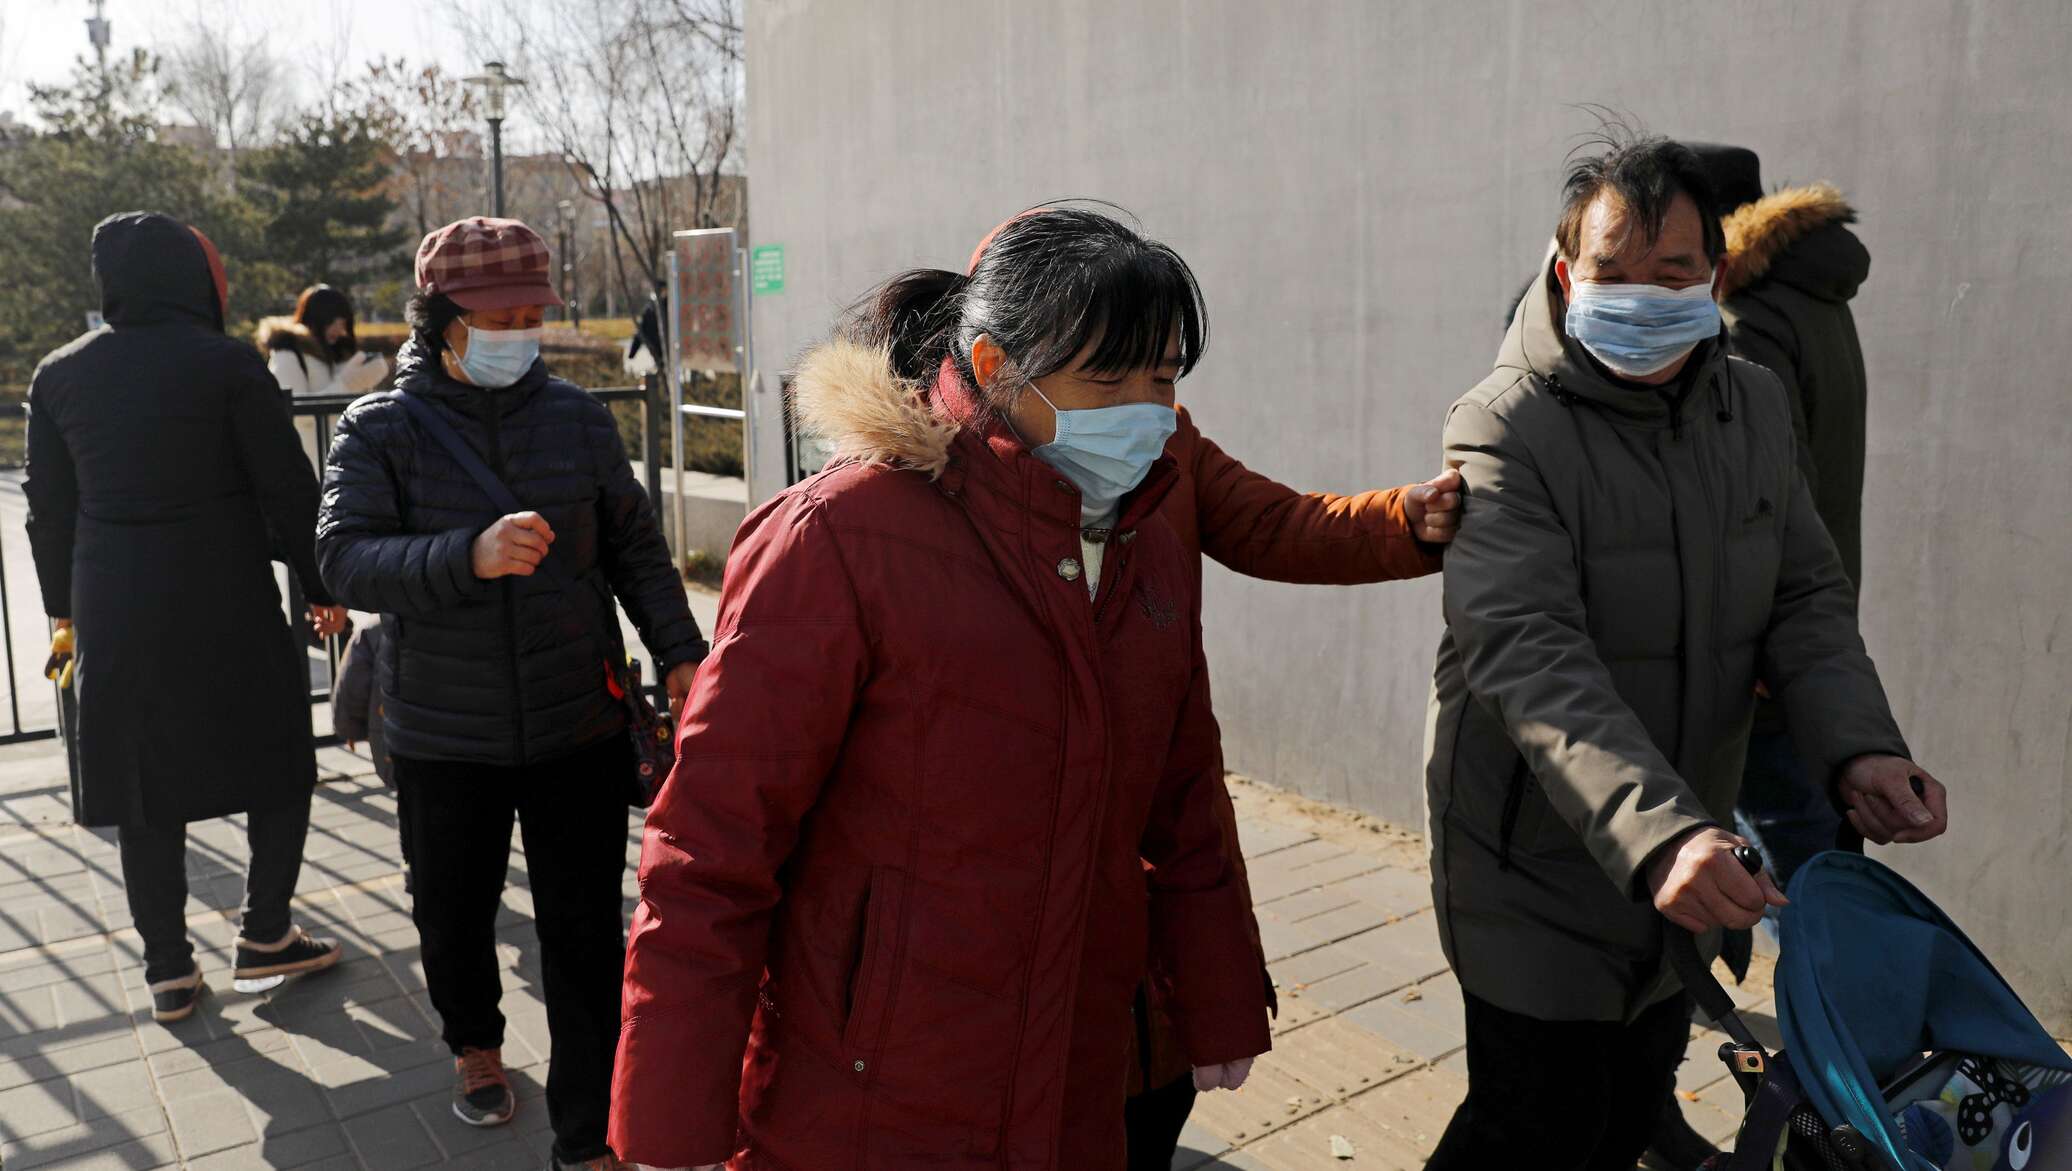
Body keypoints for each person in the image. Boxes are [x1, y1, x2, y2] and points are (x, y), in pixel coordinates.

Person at [608, 206, 1272, 1171]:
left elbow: (1186, 789)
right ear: (998, 367)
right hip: (870, 1098)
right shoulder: (842, 537)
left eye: (1163, 376)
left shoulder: (1149, 535)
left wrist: (1214, 994)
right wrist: (672, 1119)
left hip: (1077, 1078)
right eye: (1108, 375)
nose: (1146, 408)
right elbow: (711, 843)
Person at [1421, 130, 1949, 1169]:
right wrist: (1660, 835)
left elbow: (1802, 591)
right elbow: (1524, 648)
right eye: (1611, 272)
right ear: (1567, 271)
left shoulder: (1748, 399)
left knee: (1621, 1112)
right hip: (1535, 854)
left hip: (1688, 852)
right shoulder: (1503, 422)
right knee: (1532, 1127)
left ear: (1713, 273)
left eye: (1670, 272)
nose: (1638, 295)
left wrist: (1857, 749)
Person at [316, 216, 706, 1171]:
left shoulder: (576, 418)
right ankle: (475, 1043)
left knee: (585, 934)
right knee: (451, 912)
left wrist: (684, 652)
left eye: (534, 311)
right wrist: (466, 554)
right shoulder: (382, 428)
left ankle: (588, 1133)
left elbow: (635, 549)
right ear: (443, 319)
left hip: (574, 718)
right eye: (503, 314)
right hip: (445, 734)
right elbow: (342, 558)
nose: (522, 330)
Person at [1123, 378, 1464, 1164]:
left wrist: (1400, 519)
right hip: (1038, 898)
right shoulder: (953, 484)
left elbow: (1273, 523)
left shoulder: (1163, 434)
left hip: (1170, 857)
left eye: (1159, 364)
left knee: (1154, 1104)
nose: (1138, 388)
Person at [23, 211, 349, 1023]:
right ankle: (266, 930)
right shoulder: (228, 366)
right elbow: (286, 488)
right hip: (225, 599)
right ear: (195, 280)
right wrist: (320, 584)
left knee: (143, 786)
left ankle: (169, 967)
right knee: (279, 756)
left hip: (113, 608)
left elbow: (46, 512)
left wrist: (62, 614)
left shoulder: (58, 375)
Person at [257, 284, 391, 468]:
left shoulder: (333, 353)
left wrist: (367, 376)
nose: (340, 330)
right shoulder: (287, 355)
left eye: (343, 323)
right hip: (308, 470)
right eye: (333, 322)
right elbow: (297, 415)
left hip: (340, 464)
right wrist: (347, 384)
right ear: (316, 319)